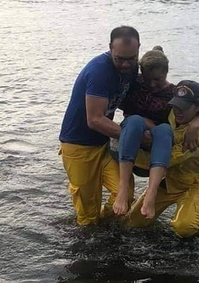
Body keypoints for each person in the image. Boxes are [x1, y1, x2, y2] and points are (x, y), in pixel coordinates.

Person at [113, 47, 199, 219]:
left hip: (184, 176)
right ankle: (124, 190)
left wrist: (195, 126)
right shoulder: (135, 84)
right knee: (136, 121)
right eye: (147, 80)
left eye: (157, 80)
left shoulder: (172, 94)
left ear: (166, 73)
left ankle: (153, 196)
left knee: (184, 228)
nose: (152, 85)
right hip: (162, 173)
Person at [59, 26, 140, 226]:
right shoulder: (100, 71)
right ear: (110, 48)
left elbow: (127, 102)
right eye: (120, 58)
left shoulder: (132, 67)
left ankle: (105, 224)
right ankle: (89, 241)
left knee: (125, 193)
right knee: (88, 214)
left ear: (139, 48)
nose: (126, 64)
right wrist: (130, 136)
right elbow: (94, 119)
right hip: (78, 146)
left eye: (131, 58)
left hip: (103, 144)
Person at [125, 80, 199, 238]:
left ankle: (195, 218)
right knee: (133, 223)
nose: (178, 111)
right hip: (168, 181)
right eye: (175, 105)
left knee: (184, 228)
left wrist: (126, 153)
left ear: (198, 107)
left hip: (192, 185)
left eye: (184, 108)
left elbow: (167, 158)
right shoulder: (173, 114)